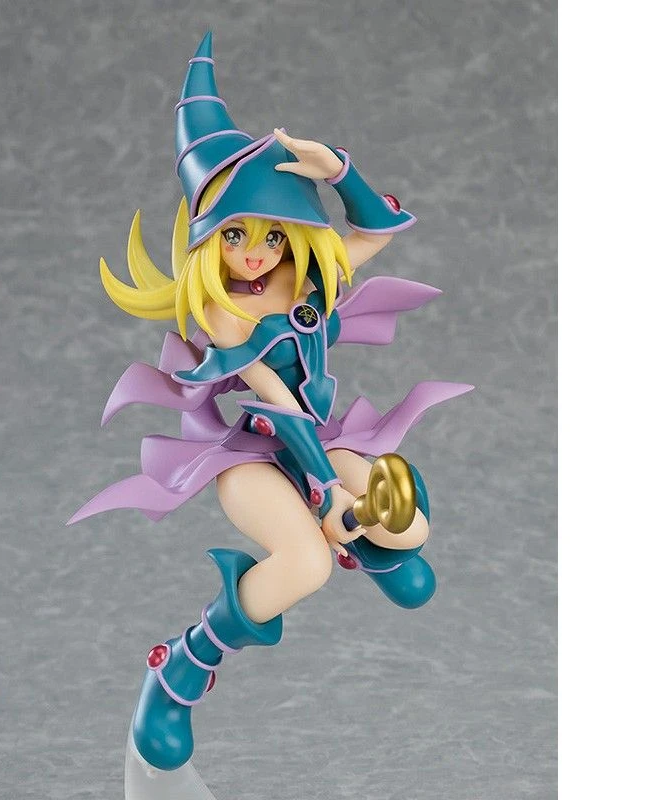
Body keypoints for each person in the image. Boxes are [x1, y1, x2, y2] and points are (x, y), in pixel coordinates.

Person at [69, 32, 472, 774]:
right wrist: (325, 492)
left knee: (413, 529)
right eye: (235, 235)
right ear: (210, 238)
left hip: (322, 434)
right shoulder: (224, 311)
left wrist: (338, 169)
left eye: (270, 235)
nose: (254, 253)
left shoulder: (311, 279)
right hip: (254, 451)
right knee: (304, 566)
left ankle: (369, 537)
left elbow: (381, 227)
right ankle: (182, 667)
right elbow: (278, 401)